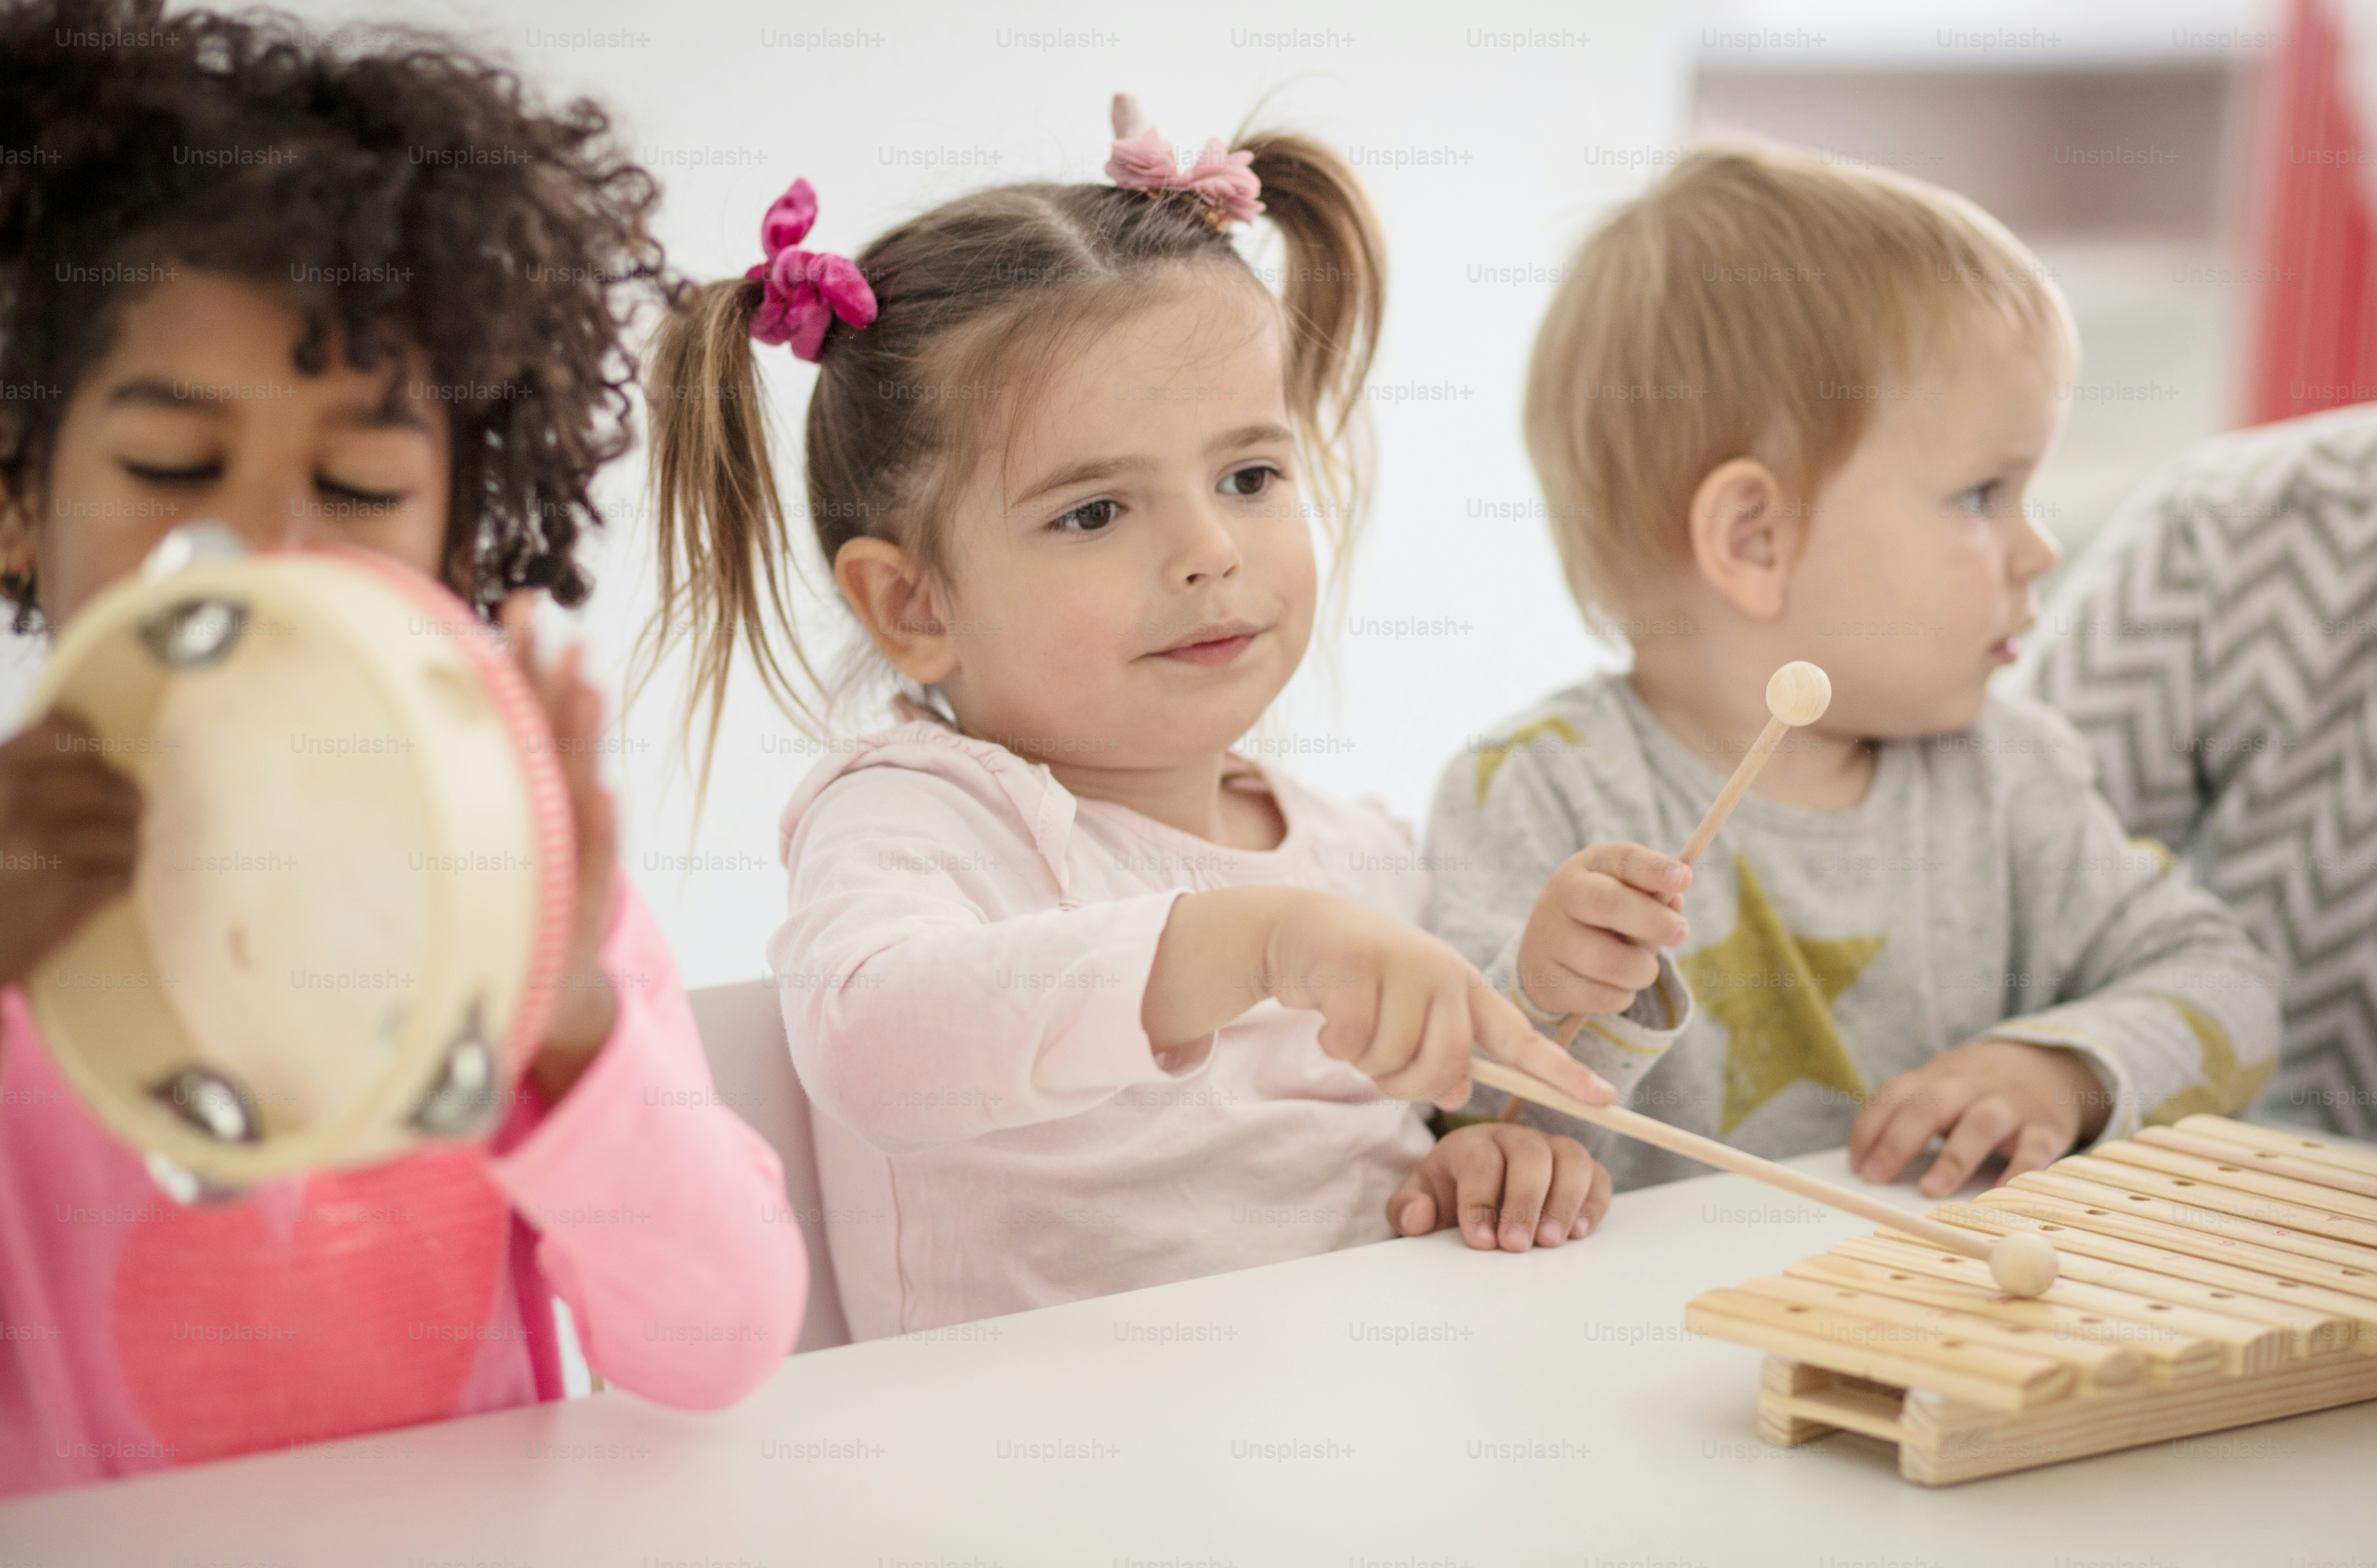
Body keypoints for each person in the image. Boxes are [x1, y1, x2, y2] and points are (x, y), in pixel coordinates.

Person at [637, 95, 1615, 1339]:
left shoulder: (1353, 853)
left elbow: (1391, 1170)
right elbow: (869, 1034)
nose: (1211, 550)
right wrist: (1249, 940)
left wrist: (1481, 1158)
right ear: (911, 602)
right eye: (1095, 511)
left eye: (1250, 477)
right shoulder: (920, 816)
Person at [0, 0, 802, 1496]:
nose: (272, 550)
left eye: (361, 485)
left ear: (456, 520)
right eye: (172, 468)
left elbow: (721, 1341)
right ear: (17, 493)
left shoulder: (515, 875)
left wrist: (564, 1021)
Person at [1426, 141, 2280, 1196]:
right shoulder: (1533, 790)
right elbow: (1452, 1102)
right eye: (1982, 496)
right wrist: (1544, 1007)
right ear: (1755, 538)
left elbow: (2234, 992)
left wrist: (2064, 1071)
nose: (2040, 549)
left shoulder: (2013, 779)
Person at [2023, 400, 2377, 1137]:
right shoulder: (2240, 517)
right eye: (1973, 499)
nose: (2036, 557)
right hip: (2264, 1198)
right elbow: (2013, 889)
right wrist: (2072, 1064)